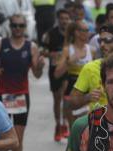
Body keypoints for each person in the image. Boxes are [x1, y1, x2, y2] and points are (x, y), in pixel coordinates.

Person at [0, 14, 46, 151]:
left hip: (21, 96)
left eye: (20, 26)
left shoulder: (31, 47)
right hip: (3, 96)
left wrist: (40, 66)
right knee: (1, 133)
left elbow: (36, 74)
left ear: (25, 27)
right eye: (14, 25)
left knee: (18, 139)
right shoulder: (1, 43)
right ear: (10, 26)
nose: (17, 29)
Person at [44, 9, 73, 141]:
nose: (64, 21)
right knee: (57, 99)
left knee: (65, 95)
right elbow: (43, 50)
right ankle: (58, 124)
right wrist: (52, 55)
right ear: (58, 19)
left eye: (67, 18)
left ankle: (65, 124)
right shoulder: (51, 34)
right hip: (54, 69)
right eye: (62, 18)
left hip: (68, 69)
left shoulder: (73, 34)